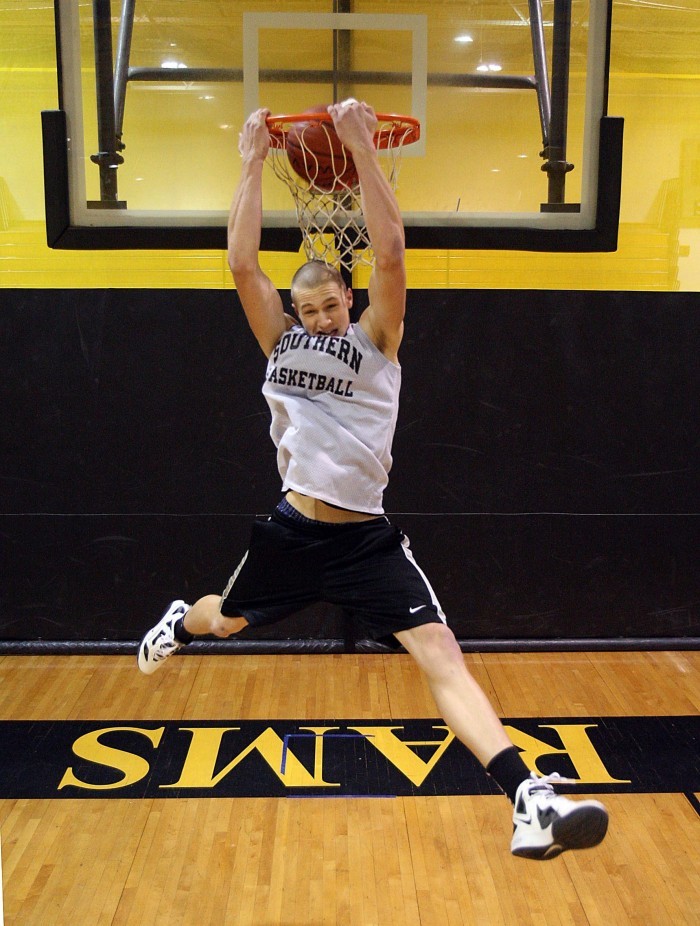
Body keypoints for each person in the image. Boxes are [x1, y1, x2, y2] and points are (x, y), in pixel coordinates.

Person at [137, 99, 608, 860]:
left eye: (329, 305)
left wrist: (359, 147)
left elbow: (391, 252)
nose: (320, 317)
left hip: (366, 542)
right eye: (307, 308)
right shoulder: (279, 344)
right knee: (220, 620)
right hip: (293, 533)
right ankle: (178, 622)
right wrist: (252, 160)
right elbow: (239, 264)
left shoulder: (378, 342)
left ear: (347, 301)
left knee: (441, 652)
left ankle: (530, 799)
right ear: (292, 312)